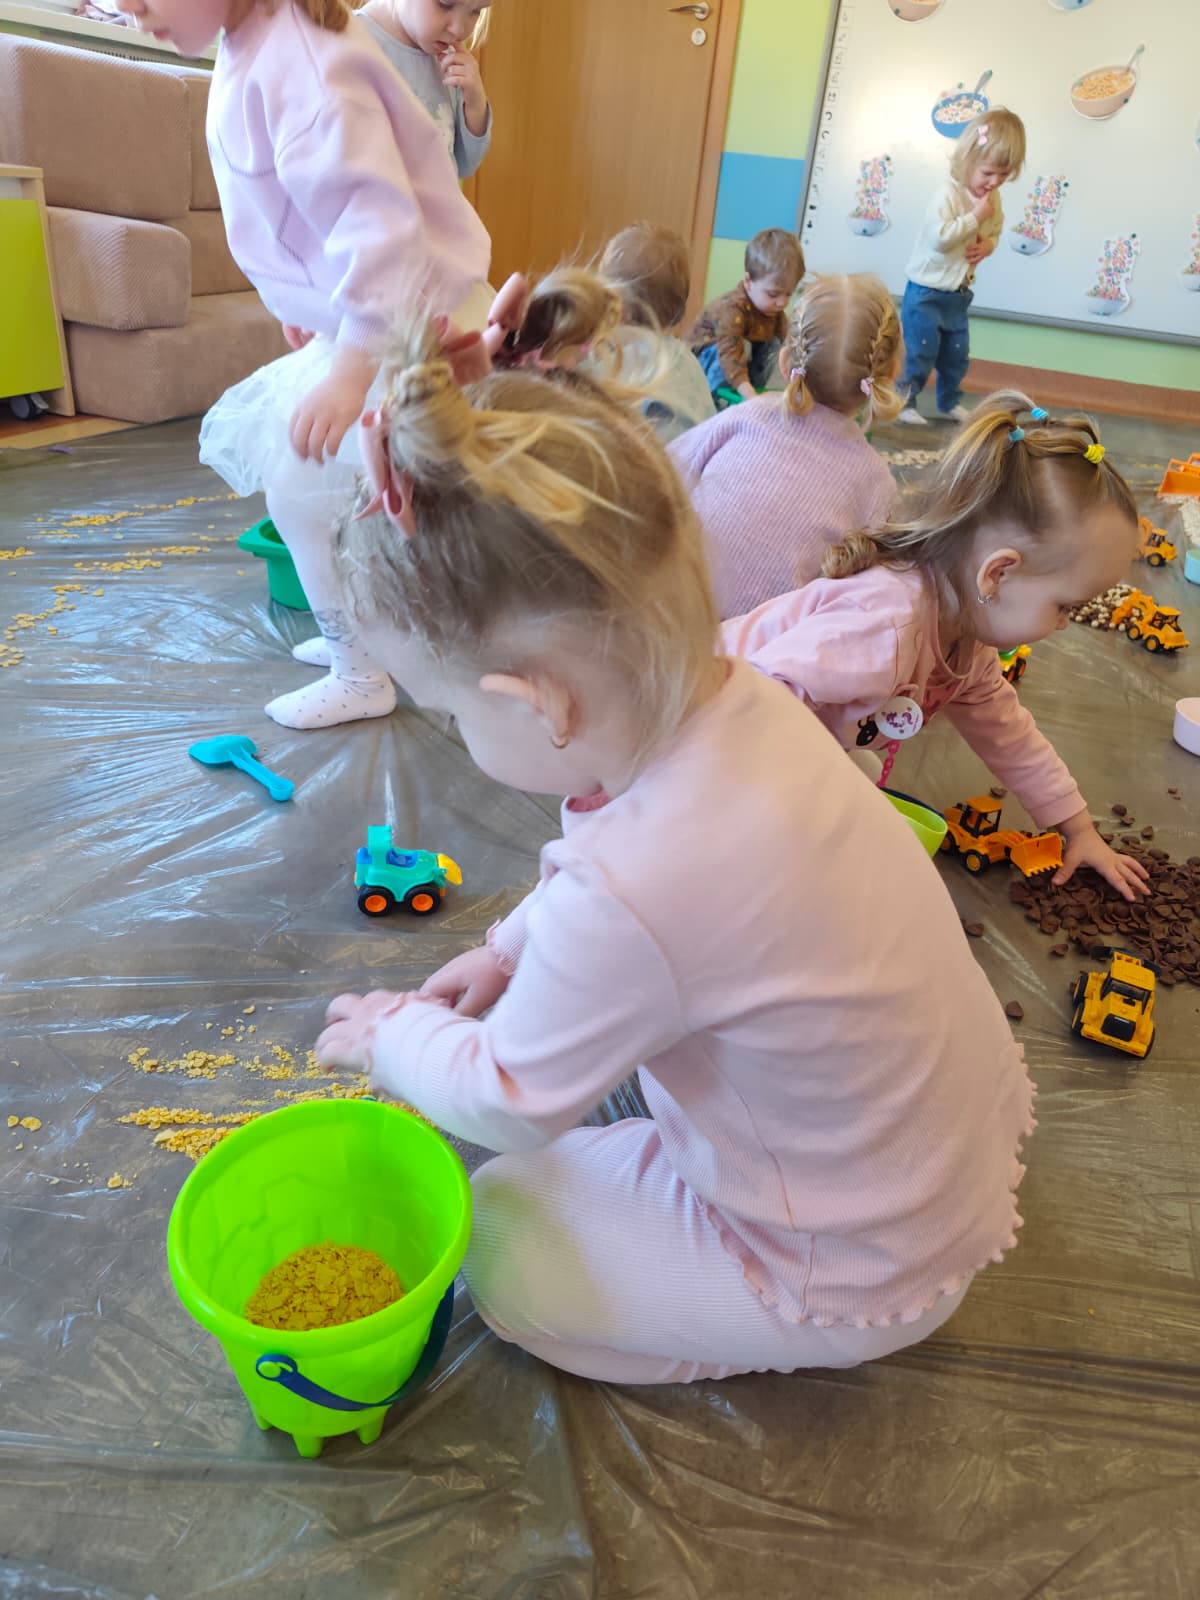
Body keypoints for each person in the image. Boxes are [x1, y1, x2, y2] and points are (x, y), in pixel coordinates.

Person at [312, 279, 1037, 1385]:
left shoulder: (638, 885)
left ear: (537, 703)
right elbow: (630, 883)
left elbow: (505, 1097)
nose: (457, 734)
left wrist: (389, 1036)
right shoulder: (753, 699)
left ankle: (743, 1329)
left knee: (497, 1235)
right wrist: (508, 950)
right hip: (927, 1158)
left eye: (453, 714)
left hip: (846, 1260)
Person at [120, 0, 492, 729]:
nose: (129, 7)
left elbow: (381, 234)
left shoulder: (305, 64)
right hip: (378, 314)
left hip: (406, 320)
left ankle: (362, 668)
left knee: (307, 488)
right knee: (329, 492)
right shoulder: (255, 38)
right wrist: (305, 297)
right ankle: (365, 641)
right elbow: (295, 202)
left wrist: (349, 372)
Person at [723, 394, 1149, 903]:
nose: (1063, 626)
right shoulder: (885, 626)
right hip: (702, 725)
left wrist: (1079, 830)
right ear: (998, 573)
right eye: (1065, 606)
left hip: (777, 734)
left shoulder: (968, 642)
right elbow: (752, 704)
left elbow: (1008, 734)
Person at [671, 273, 901, 619]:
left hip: (669, 610)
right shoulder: (877, 482)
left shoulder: (745, 415)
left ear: (784, 361)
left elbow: (663, 470)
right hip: (764, 643)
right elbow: (873, 594)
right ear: (890, 374)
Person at [897, 107, 1025, 426]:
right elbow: (939, 240)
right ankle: (904, 401)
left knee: (956, 354)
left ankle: (949, 402)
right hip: (925, 292)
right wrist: (974, 217)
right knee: (921, 352)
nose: (994, 182)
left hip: (957, 294)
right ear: (968, 161)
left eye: (1004, 175)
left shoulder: (992, 199)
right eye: (988, 173)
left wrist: (989, 244)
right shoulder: (948, 195)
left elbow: (994, 229)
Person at [590, 222, 715, 444]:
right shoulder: (688, 362)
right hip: (695, 460)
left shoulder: (609, 359)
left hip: (645, 461)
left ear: (616, 305)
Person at [356, 0, 493, 180]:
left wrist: (475, 102)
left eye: (476, 11)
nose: (459, 30)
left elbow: (465, 164)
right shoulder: (350, 43)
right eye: (445, 4)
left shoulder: (450, 60)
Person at [688, 229, 804, 406]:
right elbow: (730, 354)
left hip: (737, 360)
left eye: (788, 294)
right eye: (773, 294)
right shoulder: (732, 308)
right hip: (702, 365)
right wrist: (751, 399)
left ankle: (750, 390)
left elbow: (789, 345)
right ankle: (717, 402)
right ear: (748, 282)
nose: (782, 303)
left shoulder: (774, 311)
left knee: (776, 347)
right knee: (745, 346)